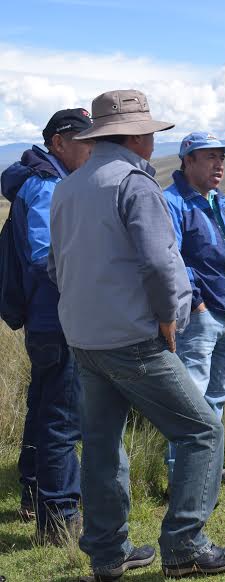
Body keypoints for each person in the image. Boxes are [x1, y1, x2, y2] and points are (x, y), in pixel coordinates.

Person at [48, 89, 225, 580]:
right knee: (202, 429)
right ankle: (185, 545)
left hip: (84, 338)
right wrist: (169, 317)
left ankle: (108, 555)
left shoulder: (69, 187)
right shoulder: (135, 185)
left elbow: (55, 266)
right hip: (133, 340)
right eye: (150, 134)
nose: (154, 143)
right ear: (135, 136)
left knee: (100, 444)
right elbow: (163, 264)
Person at [0, 108, 93, 544]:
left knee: (43, 408)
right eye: (84, 141)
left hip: (47, 319)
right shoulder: (45, 187)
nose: (92, 149)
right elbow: (43, 258)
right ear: (59, 142)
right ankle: (58, 521)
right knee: (62, 419)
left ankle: (34, 494)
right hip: (56, 320)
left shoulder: (48, 181)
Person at [163, 132, 225, 484]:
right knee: (191, 400)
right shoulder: (172, 202)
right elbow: (171, 258)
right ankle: (182, 478)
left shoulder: (224, 203)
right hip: (201, 317)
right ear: (188, 161)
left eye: (222, 157)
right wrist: (198, 302)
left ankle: (208, 470)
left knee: (217, 395)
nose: (219, 164)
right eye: (209, 157)